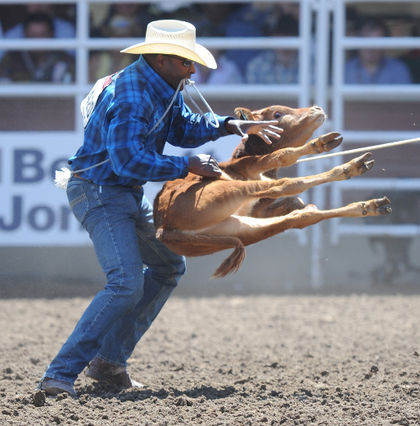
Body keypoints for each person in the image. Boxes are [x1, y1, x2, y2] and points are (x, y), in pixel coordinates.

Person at [37, 19, 282, 398]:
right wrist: (186, 166)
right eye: (187, 63)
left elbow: (182, 128)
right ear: (162, 59)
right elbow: (127, 162)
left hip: (117, 192)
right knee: (125, 282)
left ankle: (109, 361)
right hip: (100, 191)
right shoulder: (133, 96)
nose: (193, 70)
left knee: (168, 265)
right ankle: (59, 375)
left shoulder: (158, 85)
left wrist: (231, 125)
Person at [0, 12, 74, 83]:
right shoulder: (11, 59)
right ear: (24, 35)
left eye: (43, 35)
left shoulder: (65, 59)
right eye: (33, 36)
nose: (38, 41)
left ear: (52, 34)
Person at [345, 18, 412, 84]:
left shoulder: (398, 70)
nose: (372, 48)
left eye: (377, 42)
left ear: (385, 44)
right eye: (367, 41)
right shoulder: (346, 70)